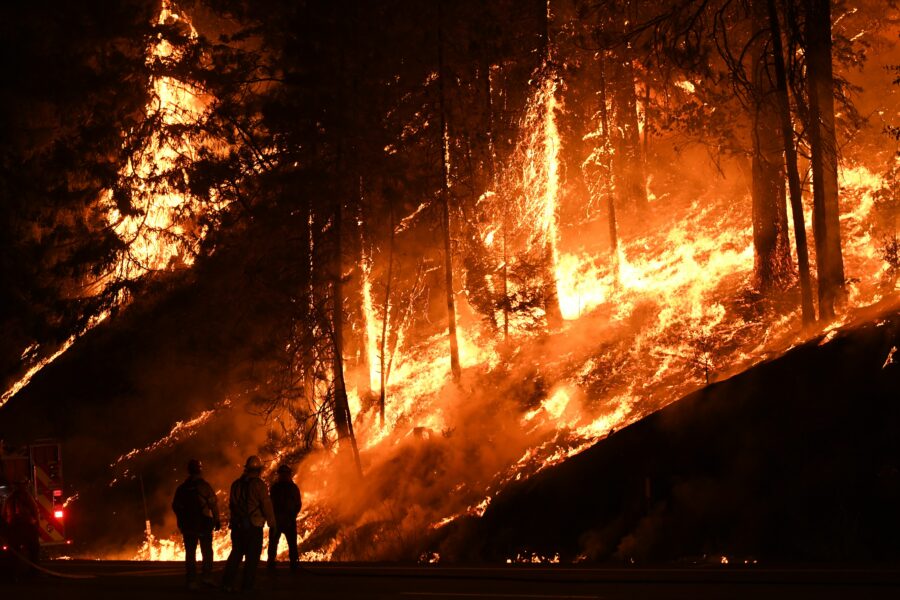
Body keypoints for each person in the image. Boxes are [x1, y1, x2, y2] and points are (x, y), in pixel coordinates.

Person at [222, 455, 275, 592]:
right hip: (253, 527)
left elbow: (232, 504)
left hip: (238, 526)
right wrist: (272, 522)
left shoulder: (235, 484)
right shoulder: (259, 485)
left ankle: (227, 584)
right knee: (252, 557)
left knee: (236, 554)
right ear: (258, 470)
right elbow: (266, 505)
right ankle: (247, 586)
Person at [172, 458, 220, 590]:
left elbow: (175, 506)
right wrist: (217, 519)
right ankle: (207, 576)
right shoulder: (204, 486)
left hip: (188, 526)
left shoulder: (182, 488)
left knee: (190, 553)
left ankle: (191, 580)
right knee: (207, 551)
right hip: (204, 524)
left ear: (189, 471)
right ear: (200, 470)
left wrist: (181, 520)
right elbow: (213, 504)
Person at [267, 464, 302, 571]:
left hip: (284, 520)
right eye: (283, 474)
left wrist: (292, 515)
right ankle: (276, 563)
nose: (284, 476)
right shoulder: (281, 488)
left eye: (285, 474)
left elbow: (297, 504)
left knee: (287, 543)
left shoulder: (280, 487)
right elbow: (298, 504)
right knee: (278, 543)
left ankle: (290, 563)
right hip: (283, 520)